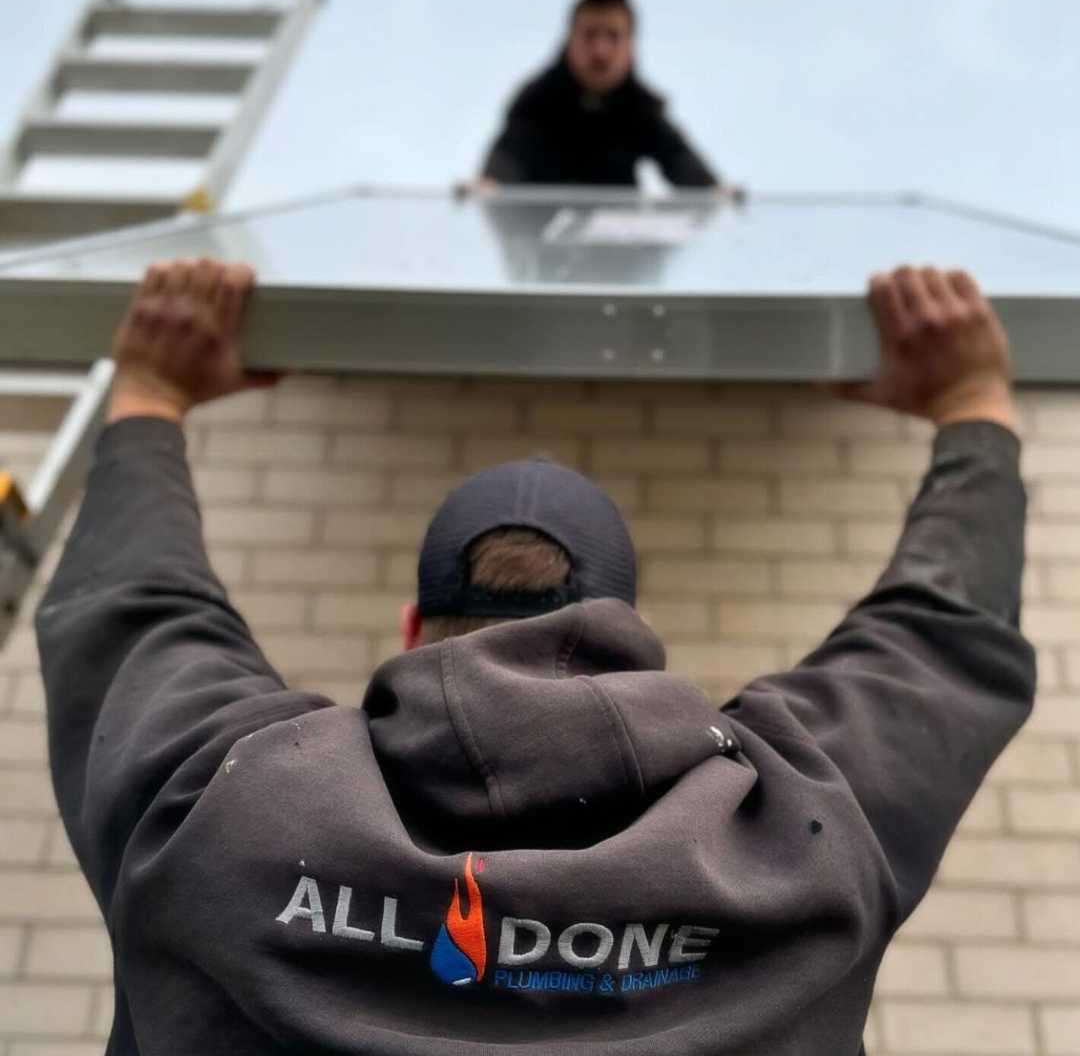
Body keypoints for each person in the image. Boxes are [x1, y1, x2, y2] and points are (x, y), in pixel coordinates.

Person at [36, 257, 1033, 1056]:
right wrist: (976, 400)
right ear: (635, 647)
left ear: (412, 625)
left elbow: (128, 606)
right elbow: (940, 632)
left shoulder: (215, 801)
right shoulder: (803, 823)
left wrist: (152, 390)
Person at [469, 0, 744, 197]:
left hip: (618, 257)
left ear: (631, 46)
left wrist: (714, 192)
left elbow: (678, 158)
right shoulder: (537, 101)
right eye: (590, 36)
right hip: (542, 253)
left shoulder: (640, 108)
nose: (600, 52)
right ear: (570, 40)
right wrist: (488, 185)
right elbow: (508, 156)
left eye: (613, 37)